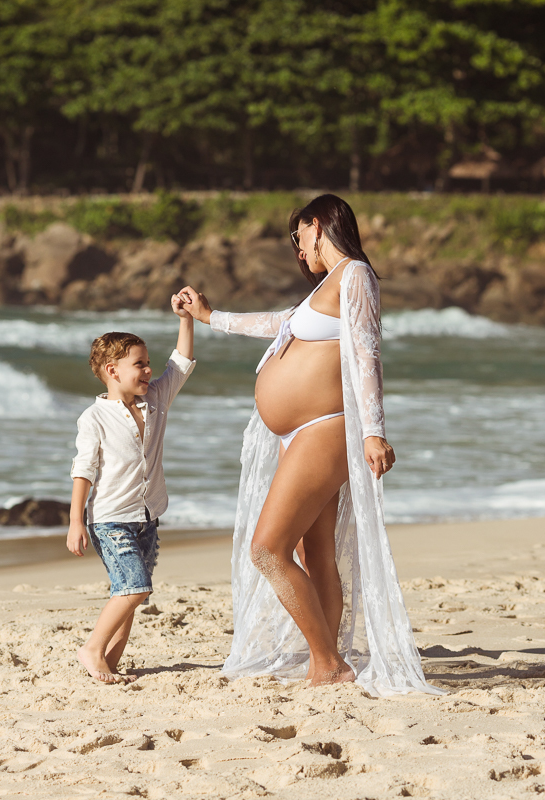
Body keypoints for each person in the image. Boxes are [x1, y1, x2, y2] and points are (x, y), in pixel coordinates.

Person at [177, 194, 440, 696]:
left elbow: (368, 352)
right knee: (313, 551)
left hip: (328, 426)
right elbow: (280, 324)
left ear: (316, 225)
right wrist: (211, 317)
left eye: (299, 239)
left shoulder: (355, 275)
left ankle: (329, 662)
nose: (299, 252)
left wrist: (374, 431)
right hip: (303, 430)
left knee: (267, 550)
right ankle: (328, 657)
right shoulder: (329, 285)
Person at [66, 295, 195, 684]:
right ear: (112, 370)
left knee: (128, 596)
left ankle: (108, 662)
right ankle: (91, 650)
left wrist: (186, 319)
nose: (148, 370)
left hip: (148, 517)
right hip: (110, 520)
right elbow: (83, 470)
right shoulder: (94, 418)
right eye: (139, 364)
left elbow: (181, 364)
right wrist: (76, 521)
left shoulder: (156, 398)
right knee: (134, 588)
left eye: (147, 363)